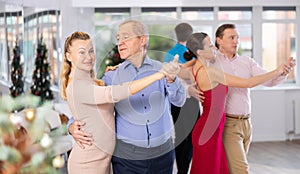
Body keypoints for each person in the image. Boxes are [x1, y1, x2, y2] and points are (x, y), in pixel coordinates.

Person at [68, 20, 186, 174]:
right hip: (127, 158)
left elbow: (179, 100)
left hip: (162, 154)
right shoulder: (111, 76)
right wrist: (71, 125)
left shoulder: (162, 70)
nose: (120, 43)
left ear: (142, 40)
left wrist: (171, 79)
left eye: (126, 37)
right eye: (118, 39)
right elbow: (89, 104)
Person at [182, 32, 290, 174]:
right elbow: (248, 83)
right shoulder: (211, 72)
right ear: (200, 51)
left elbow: (180, 69)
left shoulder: (194, 68)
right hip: (209, 131)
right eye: (210, 45)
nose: (214, 47)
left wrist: (188, 87)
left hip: (209, 129)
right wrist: (277, 71)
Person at [212, 23, 295, 174]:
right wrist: (276, 71)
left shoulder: (247, 62)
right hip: (229, 125)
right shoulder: (213, 63)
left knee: (233, 169)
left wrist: (282, 73)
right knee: (241, 170)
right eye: (231, 37)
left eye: (237, 38)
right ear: (219, 40)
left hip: (247, 124)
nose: (236, 41)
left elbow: (268, 81)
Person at [164, 22, 200, 174]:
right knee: (192, 137)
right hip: (190, 99)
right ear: (190, 35)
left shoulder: (169, 54)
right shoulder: (192, 54)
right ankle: (185, 170)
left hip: (176, 101)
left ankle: (182, 170)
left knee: (181, 137)